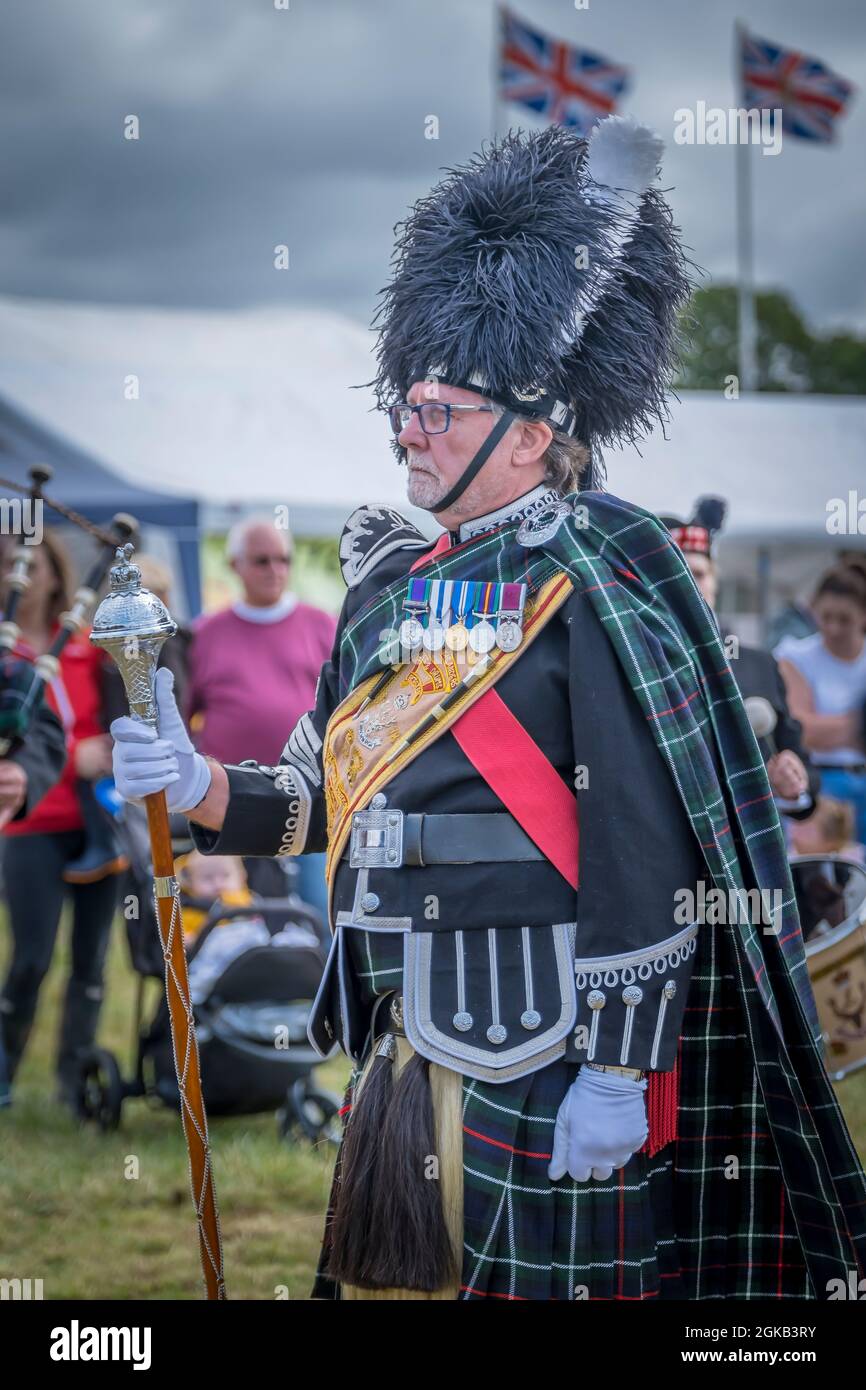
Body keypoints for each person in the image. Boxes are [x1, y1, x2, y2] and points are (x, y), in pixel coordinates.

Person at [111, 116, 866, 1300]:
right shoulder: (385, 585)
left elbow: (639, 837)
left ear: (530, 433)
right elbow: (322, 795)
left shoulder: (591, 578)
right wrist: (199, 782)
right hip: (400, 1036)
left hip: (547, 1039)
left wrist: (620, 1068)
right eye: (403, 409)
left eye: (436, 412)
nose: (406, 433)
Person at [0, 530, 118, 1106]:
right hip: (28, 824)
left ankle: (75, 1086)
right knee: (30, 959)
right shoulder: (4, 653)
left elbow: (121, 717)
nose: (17, 572)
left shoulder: (88, 646)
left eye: (29, 561)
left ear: (54, 570)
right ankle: (4, 1074)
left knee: (91, 964)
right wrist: (77, 757)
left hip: (98, 823)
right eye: (6, 562)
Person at [185, 517, 336, 915]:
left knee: (317, 913)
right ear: (235, 566)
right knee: (237, 916)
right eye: (262, 560)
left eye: (283, 559)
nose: (276, 570)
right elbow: (183, 715)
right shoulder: (205, 634)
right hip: (230, 802)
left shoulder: (322, 625)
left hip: (309, 796)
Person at [659, 497, 818, 817]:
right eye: (680, 576)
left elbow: (804, 772)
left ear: (716, 582)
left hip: (745, 837)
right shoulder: (640, 662)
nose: (691, 586)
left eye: (699, 574)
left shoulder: (759, 665)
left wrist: (791, 784)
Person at [775, 564, 866, 843]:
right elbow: (802, 731)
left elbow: (812, 727)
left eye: (844, 619)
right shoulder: (796, 654)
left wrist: (828, 727)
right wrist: (859, 724)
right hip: (821, 786)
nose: (833, 627)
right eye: (825, 617)